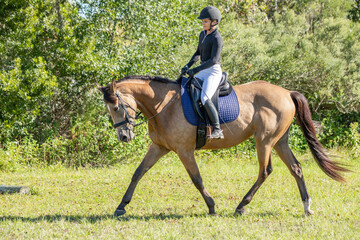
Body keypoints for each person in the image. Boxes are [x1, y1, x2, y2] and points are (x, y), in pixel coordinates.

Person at [181, 6, 224, 139]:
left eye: (205, 21)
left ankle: (217, 129)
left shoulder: (217, 38)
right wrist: (188, 65)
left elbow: (213, 60)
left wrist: (196, 70)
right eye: (203, 21)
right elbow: (198, 53)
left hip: (213, 71)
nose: (203, 23)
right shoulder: (202, 34)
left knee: (205, 98)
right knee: (187, 87)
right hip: (203, 70)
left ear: (214, 22)